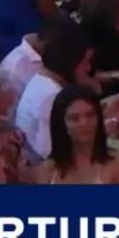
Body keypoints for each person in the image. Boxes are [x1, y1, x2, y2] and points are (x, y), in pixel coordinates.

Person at [14, 18, 93, 162]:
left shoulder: (42, 80)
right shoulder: (51, 96)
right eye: (85, 62)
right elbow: (55, 154)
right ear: (71, 63)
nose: (89, 68)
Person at [40, 85, 119, 184]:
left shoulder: (118, 165)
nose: (84, 123)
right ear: (61, 124)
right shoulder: (48, 171)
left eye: (90, 115)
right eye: (74, 118)